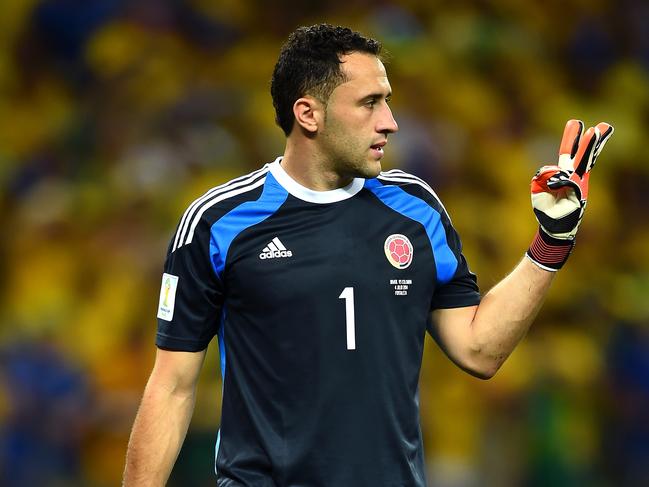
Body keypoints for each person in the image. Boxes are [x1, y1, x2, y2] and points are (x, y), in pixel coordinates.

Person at [122, 23, 613, 487]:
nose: (391, 122)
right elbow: (172, 387)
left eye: (389, 102)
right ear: (308, 113)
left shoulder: (415, 210)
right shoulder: (219, 223)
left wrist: (552, 239)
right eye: (370, 103)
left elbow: (479, 350)